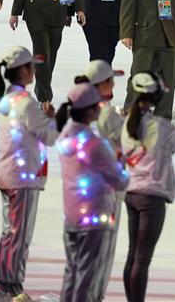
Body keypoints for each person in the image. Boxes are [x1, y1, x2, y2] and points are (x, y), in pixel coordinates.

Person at [0, 45, 57, 302]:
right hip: (23, 176)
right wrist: (52, 119)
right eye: (32, 67)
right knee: (20, 234)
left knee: (9, 232)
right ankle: (13, 286)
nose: (34, 71)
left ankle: (6, 282)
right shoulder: (26, 103)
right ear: (24, 70)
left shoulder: (7, 99)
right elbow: (49, 136)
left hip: (8, 172)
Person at [55, 83, 129, 302]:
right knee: (88, 276)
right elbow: (119, 180)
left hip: (72, 214)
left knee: (72, 272)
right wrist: (122, 161)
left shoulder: (65, 135)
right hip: (95, 217)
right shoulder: (95, 144)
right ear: (89, 110)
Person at [120, 72, 175, 302]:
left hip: (131, 192)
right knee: (142, 258)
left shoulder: (126, 124)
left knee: (133, 254)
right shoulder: (162, 127)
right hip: (153, 197)